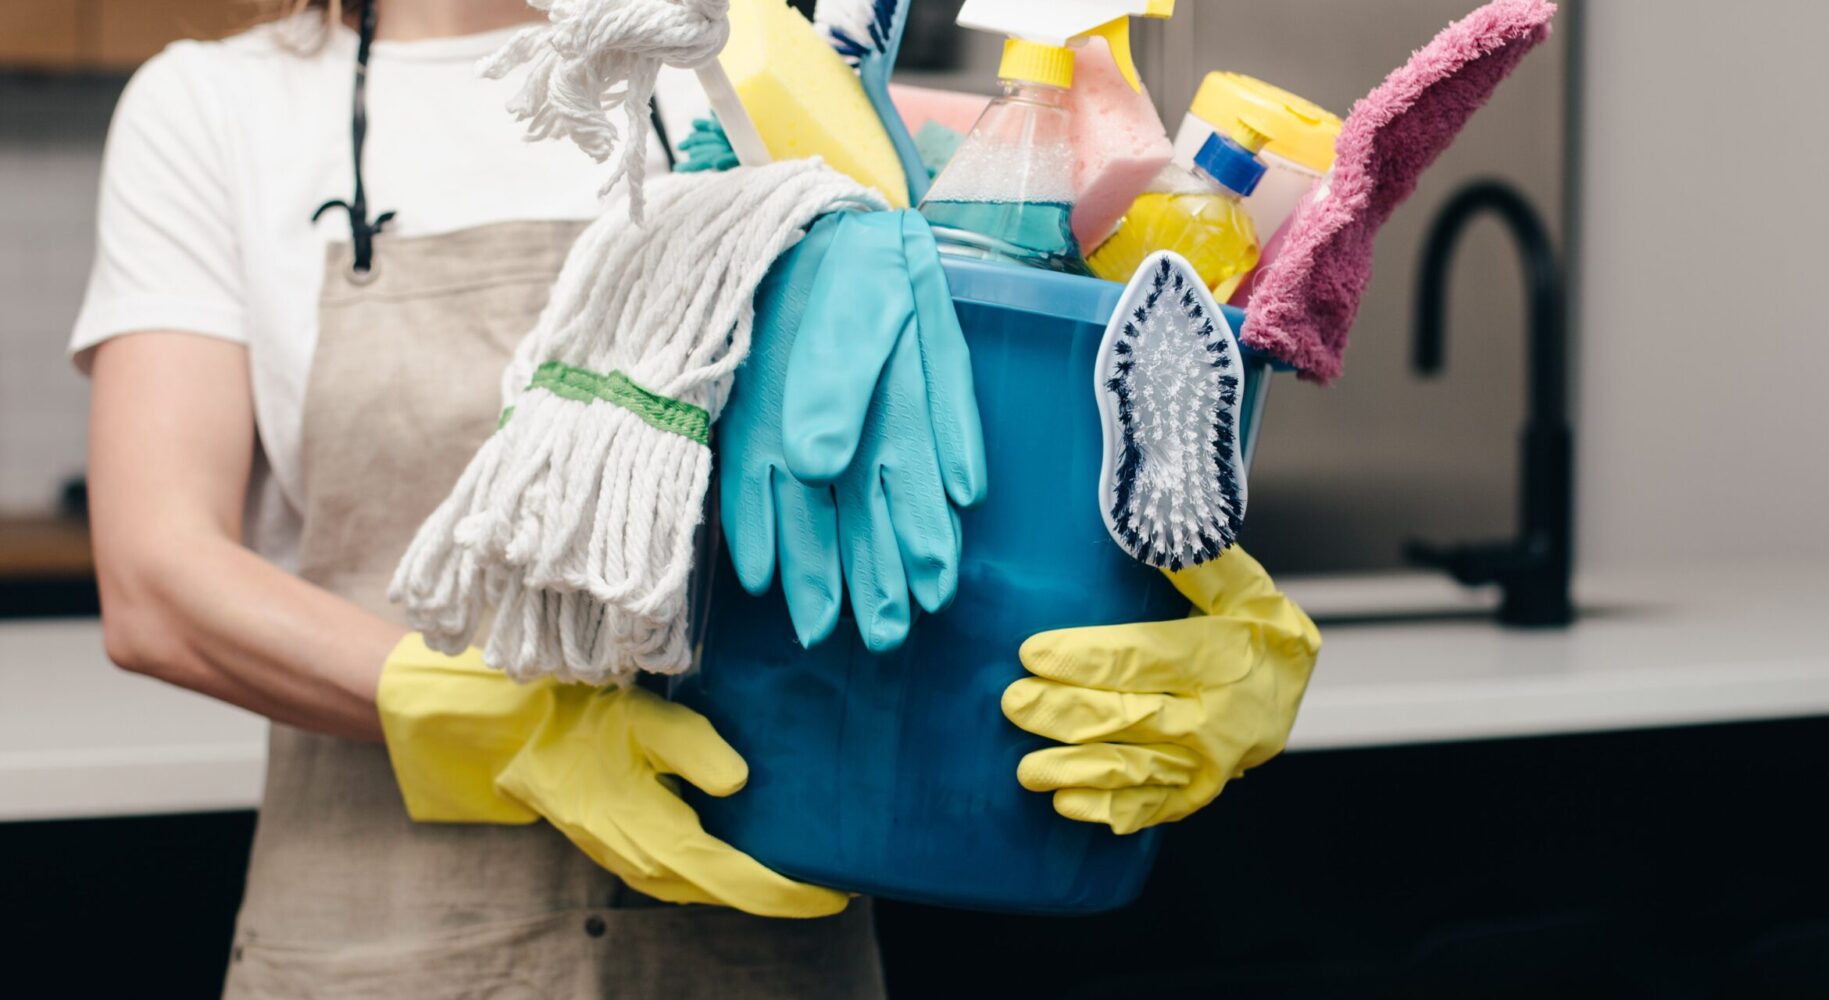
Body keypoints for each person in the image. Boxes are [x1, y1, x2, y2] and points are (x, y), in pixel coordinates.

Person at [74, 0, 1320, 996]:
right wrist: (516, 723)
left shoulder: (762, 76)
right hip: (380, 945)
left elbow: (1059, 352)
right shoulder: (217, 107)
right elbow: (158, 579)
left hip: (764, 930)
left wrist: (1211, 607)